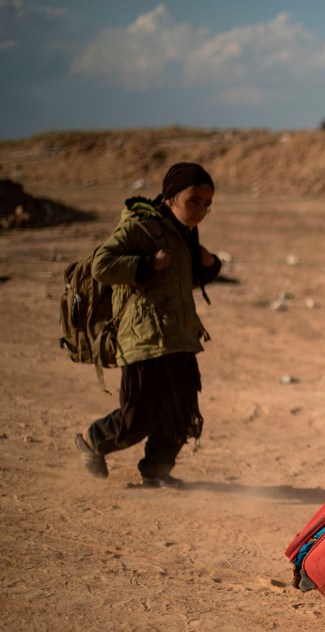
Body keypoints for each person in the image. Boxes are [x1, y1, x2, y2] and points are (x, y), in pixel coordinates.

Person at [74, 162, 222, 488]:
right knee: (137, 417)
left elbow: (181, 281)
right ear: (170, 197)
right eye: (194, 200)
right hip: (144, 337)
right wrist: (147, 263)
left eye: (207, 204)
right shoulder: (140, 227)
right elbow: (102, 265)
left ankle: (156, 471)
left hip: (179, 336)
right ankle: (92, 439)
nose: (201, 210)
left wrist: (210, 264)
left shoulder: (184, 232)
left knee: (180, 413)